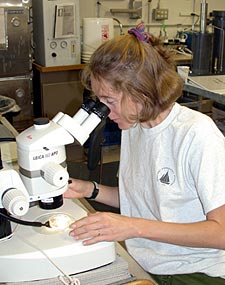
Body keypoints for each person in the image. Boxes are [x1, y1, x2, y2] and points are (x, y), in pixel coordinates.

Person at [64, 23, 225, 285]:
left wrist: (131, 226)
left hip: (196, 272)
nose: (105, 112)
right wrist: (87, 189)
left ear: (140, 92)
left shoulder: (196, 134)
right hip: (146, 261)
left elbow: (222, 234)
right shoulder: (135, 126)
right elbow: (144, 200)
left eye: (109, 101)